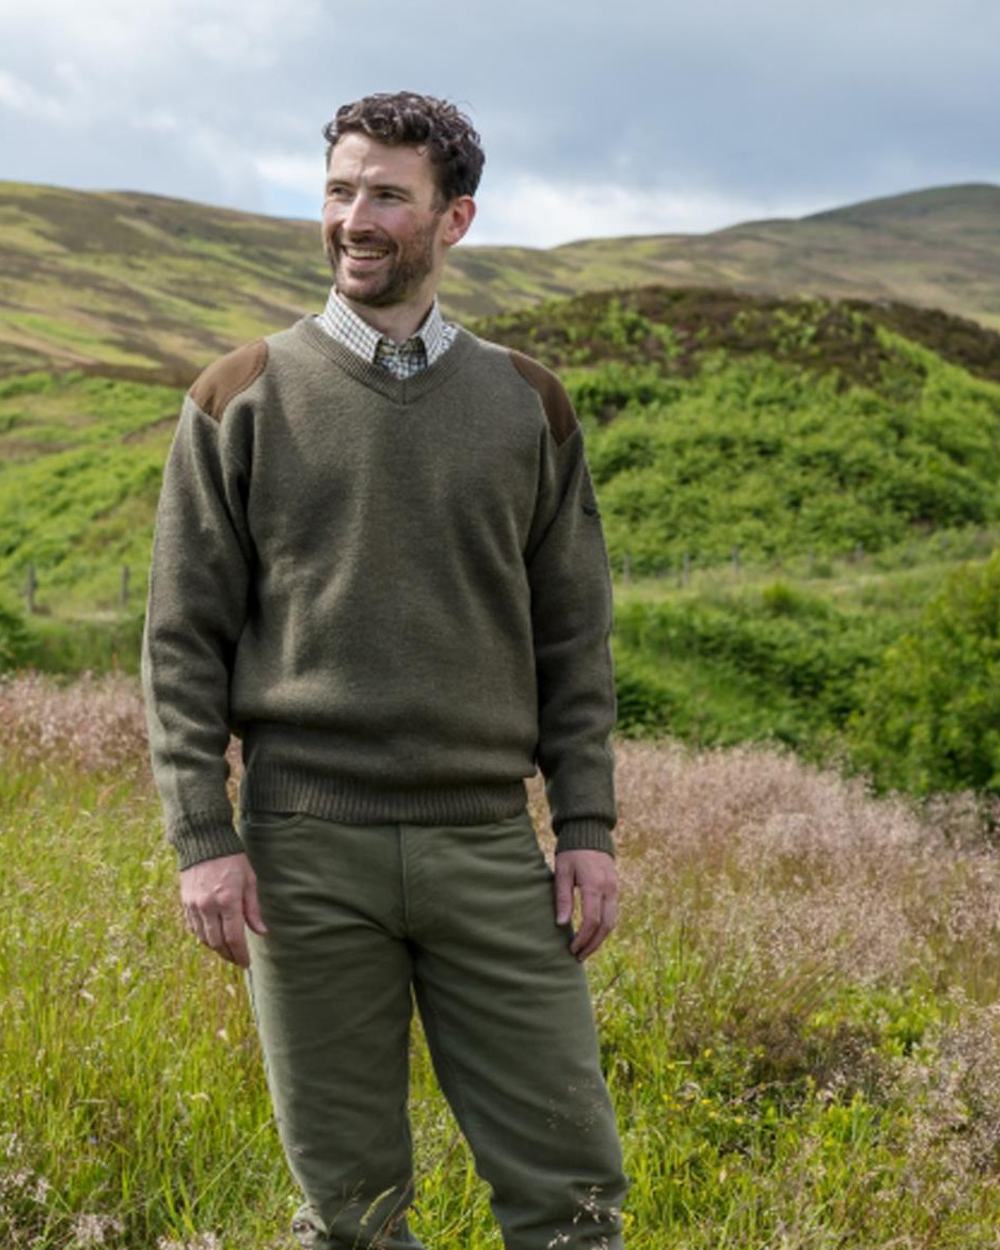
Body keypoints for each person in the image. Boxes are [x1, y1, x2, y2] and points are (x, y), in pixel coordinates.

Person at [141, 90, 628, 1250]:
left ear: (453, 218)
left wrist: (589, 825)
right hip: (302, 853)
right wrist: (203, 838)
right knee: (351, 1214)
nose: (353, 218)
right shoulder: (237, 396)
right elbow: (181, 639)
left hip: (487, 846)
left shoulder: (526, 404)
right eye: (338, 189)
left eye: (385, 196)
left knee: (572, 1201)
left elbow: (573, 637)